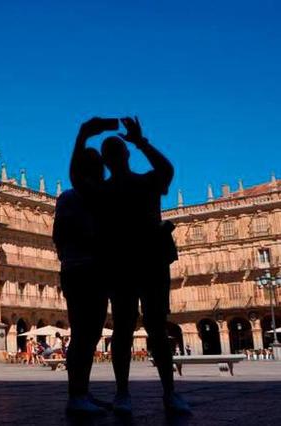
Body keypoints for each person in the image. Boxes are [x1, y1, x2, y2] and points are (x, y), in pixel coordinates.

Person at [100, 117, 190, 415]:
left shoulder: (140, 184)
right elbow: (167, 169)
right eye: (113, 152)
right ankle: (159, 392)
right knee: (140, 327)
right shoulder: (107, 192)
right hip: (129, 263)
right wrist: (141, 142)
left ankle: (140, 392)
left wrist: (139, 142)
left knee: (137, 327)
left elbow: (167, 171)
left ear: (118, 157)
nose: (116, 156)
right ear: (116, 157)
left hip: (143, 262)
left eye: (116, 152)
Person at [53, 117, 115, 414]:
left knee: (87, 334)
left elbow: (57, 237)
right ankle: (76, 397)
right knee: (84, 334)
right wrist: (81, 137)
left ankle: (82, 392)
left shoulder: (67, 199)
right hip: (87, 270)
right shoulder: (89, 196)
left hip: (76, 269)